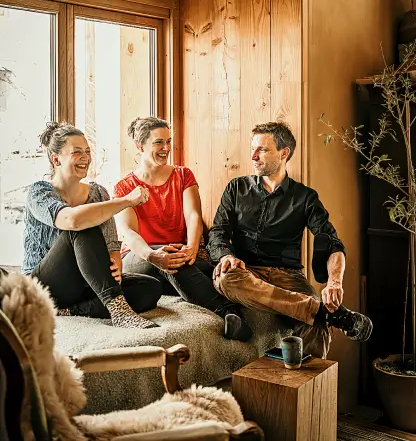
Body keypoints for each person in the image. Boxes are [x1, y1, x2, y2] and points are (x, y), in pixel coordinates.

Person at [207, 121, 373, 358]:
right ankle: (320, 311)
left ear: (284, 153)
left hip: (288, 276)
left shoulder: (305, 197)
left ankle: (312, 388)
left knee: (317, 327)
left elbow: (332, 242)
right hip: (244, 272)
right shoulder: (236, 188)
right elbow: (218, 231)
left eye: (262, 150)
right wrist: (226, 256)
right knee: (225, 279)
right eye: (252, 148)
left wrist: (335, 282)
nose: (253, 156)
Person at [113, 116, 252, 341]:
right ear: (140, 146)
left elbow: (193, 214)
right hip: (140, 257)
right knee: (172, 259)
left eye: (168, 141)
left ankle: (225, 304)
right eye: (158, 142)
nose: (166, 148)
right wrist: (152, 255)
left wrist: (192, 247)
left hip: (179, 253)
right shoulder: (125, 187)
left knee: (202, 268)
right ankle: (228, 312)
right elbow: (129, 233)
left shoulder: (182, 175)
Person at [23, 122, 163, 329]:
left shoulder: (98, 193)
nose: (85, 158)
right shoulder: (39, 192)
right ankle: (120, 312)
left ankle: (73, 310)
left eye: (87, 152)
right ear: (56, 159)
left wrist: (115, 262)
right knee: (83, 225)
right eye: (77, 152)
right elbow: (72, 220)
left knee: (150, 287)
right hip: (43, 287)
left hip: (84, 281)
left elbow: (111, 244)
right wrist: (127, 201)